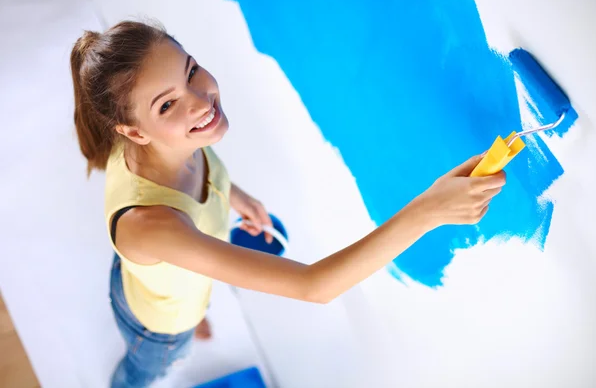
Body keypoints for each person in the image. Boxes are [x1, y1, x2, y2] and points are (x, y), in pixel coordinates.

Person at [70, 20, 505, 388]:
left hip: (162, 277)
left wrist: (234, 196)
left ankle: (192, 315)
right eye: (168, 104)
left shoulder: (169, 141)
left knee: (185, 297)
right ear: (133, 132)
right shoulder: (150, 225)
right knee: (148, 369)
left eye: (192, 71)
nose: (202, 101)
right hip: (157, 327)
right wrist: (427, 211)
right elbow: (313, 287)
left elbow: (198, 170)